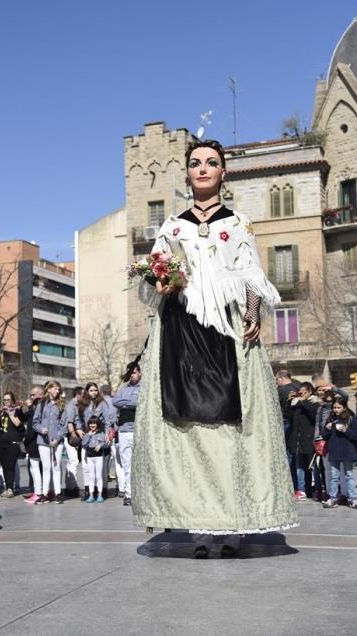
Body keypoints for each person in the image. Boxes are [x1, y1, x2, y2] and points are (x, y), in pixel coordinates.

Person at [131, 139, 298, 556]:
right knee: (188, 432)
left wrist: (254, 314)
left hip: (226, 331)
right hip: (182, 334)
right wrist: (161, 280)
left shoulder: (238, 223)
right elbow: (153, 281)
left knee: (229, 430)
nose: (202, 169)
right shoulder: (171, 227)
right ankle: (200, 530)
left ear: (224, 173)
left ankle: (232, 527)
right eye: (194, 163)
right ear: (187, 174)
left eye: (211, 163)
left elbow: (252, 274)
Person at [321, 397, 357, 509]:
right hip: (334, 451)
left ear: (344, 407)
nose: (336, 410)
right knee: (334, 476)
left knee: (349, 475)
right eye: (334, 407)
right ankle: (333, 498)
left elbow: (356, 436)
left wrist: (345, 430)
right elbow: (324, 436)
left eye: (339, 407)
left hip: (347, 452)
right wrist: (327, 429)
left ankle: (353, 499)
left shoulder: (352, 420)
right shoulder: (331, 419)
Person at [32, 380, 66, 504]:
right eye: (55, 388)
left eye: (58, 389)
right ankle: (45, 493)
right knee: (46, 467)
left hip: (57, 440)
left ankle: (58, 493)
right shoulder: (41, 404)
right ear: (49, 389)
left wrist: (57, 438)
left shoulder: (61, 404)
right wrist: (41, 429)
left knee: (56, 466)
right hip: (43, 440)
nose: (57, 391)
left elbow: (64, 424)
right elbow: (35, 422)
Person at [285, 382, 320, 500]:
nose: (300, 393)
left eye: (303, 391)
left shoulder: (315, 403)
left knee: (313, 467)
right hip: (298, 440)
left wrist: (303, 400)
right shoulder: (297, 404)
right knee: (299, 466)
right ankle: (301, 489)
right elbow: (288, 415)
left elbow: (313, 415)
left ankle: (315, 489)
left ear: (309, 391)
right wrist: (290, 402)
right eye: (299, 391)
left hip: (310, 440)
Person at [112, 364, 141, 506]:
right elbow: (115, 401)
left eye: (134, 372)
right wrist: (132, 403)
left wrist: (126, 403)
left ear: (140, 373)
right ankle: (129, 494)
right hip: (124, 431)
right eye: (130, 373)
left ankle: (140, 493)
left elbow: (141, 402)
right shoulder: (122, 390)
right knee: (126, 465)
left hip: (139, 431)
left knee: (139, 464)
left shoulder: (144, 388)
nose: (132, 375)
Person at [0, 391, 25, 498]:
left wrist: (10, 412)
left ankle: (10, 489)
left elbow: (17, 423)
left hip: (13, 443)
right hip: (1, 443)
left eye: (8, 400)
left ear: (12, 401)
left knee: (10, 466)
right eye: (4, 400)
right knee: (5, 466)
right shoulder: (2, 412)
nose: (6, 402)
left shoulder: (17, 411)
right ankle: (8, 488)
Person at [22, 386, 43, 504]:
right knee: (35, 468)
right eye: (31, 395)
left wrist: (26, 440)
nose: (31, 397)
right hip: (33, 441)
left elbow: (32, 425)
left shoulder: (39, 407)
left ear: (40, 394)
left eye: (33, 395)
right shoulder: (35, 408)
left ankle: (38, 493)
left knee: (36, 469)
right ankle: (39, 491)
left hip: (35, 441)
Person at [81, 415, 106, 503]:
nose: (92, 425)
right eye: (91, 423)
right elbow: (83, 444)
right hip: (90, 456)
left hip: (99, 456)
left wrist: (100, 445)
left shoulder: (101, 433)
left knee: (98, 476)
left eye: (94, 423)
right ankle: (91, 496)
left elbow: (105, 443)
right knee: (91, 476)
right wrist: (89, 436)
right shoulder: (87, 434)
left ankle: (100, 495)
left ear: (97, 424)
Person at [63, 386, 82, 497]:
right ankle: (71, 487)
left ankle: (71, 485)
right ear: (78, 395)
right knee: (73, 460)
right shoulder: (71, 406)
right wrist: (73, 436)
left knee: (74, 460)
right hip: (71, 436)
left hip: (75, 435)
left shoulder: (78, 406)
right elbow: (70, 422)